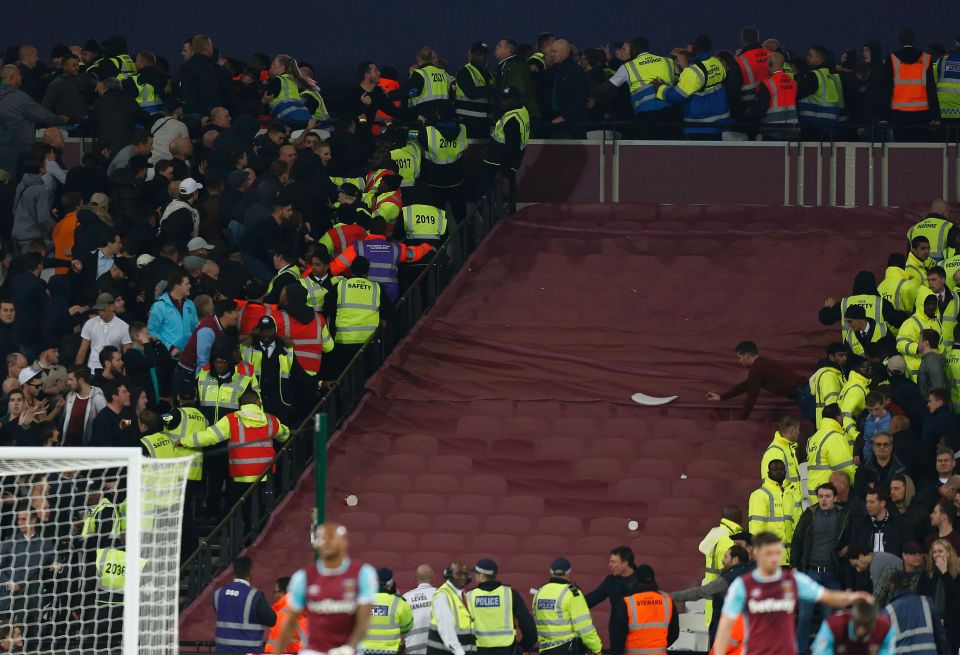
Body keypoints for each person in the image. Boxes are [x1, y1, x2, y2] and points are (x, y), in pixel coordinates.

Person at [712, 531, 873, 655]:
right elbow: (726, 626)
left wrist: (854, 596)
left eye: (776, 552)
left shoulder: (792, 581)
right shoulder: (742, 586)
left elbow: (827, 596)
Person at [184, 390, 290, 505]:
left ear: (241, 404)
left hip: (241, 475)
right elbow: (284, 436)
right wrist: (285, 430)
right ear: (258, 402)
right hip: (265, 475)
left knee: (241, 509)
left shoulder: (231, 419)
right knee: (261, 508)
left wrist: (184, 440)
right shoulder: (271, 420)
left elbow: (209, 436)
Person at [791, 483, 851, 652]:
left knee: (830, 618)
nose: (823, 500)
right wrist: (794, 565)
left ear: (835, 498)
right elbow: (797, 540)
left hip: (832, 573)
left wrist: (848, 548)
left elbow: (851, 535)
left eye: (827, 496)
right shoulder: (810, 514)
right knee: (804, 617)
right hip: (811, 573)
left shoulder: (843, 516)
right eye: (821, 496)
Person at [706, 341, 814, 421]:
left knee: (820, 424)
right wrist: (722, 397)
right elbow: (746, 385)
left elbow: (751, 397)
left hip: (803, 394)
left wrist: (741, 420)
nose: (739, 361)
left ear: (746, 356)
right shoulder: (762, 364)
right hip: (806, 390)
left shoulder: (757, 369)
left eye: (739, 357)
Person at [595, 37, 678, 137]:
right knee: (671, 149)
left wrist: (588, 82)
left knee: (647, 151)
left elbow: (605, 89)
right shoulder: (667, 61)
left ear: (633, 49)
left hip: (647, 118)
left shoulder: (628, 67)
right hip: (670, 114)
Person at [655, 35, 730, 138]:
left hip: (700, 124)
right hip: (720, 120)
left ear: (695, 47)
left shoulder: (692, 72)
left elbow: (677, 96)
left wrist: (661, 88)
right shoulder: (716, 62)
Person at [0, 64, 65, 177]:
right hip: (19, 150)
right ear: (11, 77)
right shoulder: (19, 97)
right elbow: (42, 115)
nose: (21, 77)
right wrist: (60, 119)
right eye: (19, 75)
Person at [532, 558, 602, 655]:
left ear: (551, 572)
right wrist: (597, 649)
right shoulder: (573, 594)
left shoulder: (539, 593)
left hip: (545, 650)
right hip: (568, 650)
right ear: (569, 573)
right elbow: (585, 628)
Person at [466, 558, 536, 655]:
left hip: (478, 651)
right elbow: (529, 627)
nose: (475, 577)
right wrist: (522, 648)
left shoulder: (468, 596)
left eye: (476, 574)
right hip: (507, 650)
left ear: (481, 576)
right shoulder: (510, 594)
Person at [609, 564, 678, 655]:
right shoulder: (667, 601)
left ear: (636, 580)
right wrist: (657, 646)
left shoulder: (628, 603)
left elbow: (617, 637)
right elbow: (674, 633)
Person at [884, 27, 939, 140]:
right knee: (919, 152)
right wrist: (935, 115)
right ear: (914, 40)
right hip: (922, 114)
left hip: (898, 115)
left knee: (901, 151)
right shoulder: (926, 59)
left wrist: (885, 115)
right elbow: (931, 89)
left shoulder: (892, 58)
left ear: (899, 40)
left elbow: (887, 89)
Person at [212, 556, 276, 653]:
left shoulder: (218, 593)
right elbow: (271, 620)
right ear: (250, 572)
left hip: (222, 651)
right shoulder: (254, 595)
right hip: (248, 650)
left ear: (234, 572)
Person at [883, 569, 951, 655]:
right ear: (909, 584)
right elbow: (941, 637)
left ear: (892, 585)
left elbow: (883, 646)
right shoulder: (926, 602)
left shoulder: (888, 611)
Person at [698, 506, 743, 627]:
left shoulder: (715, 533)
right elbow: (729, 572)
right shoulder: (728, 539)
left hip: (712, 599)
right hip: (722, 602)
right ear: (737, 519)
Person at [749, 459, 798, 564]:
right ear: (768, 473)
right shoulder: (759, 495)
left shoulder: (789, 494)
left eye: (781, 469)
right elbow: (756, 527)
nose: (779, 472)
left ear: (785, 472)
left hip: (791, 558)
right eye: (775, 469)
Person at [917, 539, 960, 653]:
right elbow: (920, 599)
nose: (937, 554)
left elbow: (956, 596)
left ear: (949, 553)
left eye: (940, 551)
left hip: (952, 626)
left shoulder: (957, 574)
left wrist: (945, 572)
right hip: (931, 624)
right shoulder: (926, 574)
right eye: (934, 551)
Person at [424, 561, 475, 655]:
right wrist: (459, 651)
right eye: (459, 574)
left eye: (466, 574)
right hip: (446, 652)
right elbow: (445, 628)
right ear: (448, 574)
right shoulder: (442, 595)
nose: (463, 577)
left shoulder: (463, 594)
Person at [360, 568, 414, 655]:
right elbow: (407, 627)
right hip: (391, 651)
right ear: (391, 584)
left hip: (364, 651)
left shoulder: (364, 601)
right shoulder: (399, 603)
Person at [810, 600, 894, 655]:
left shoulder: (885, 627)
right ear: (851, 618)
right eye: (858, 624)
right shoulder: (833, 625)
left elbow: (887, 652)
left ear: (874, 622)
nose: (861, 630)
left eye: (866, 625)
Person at [585, 546, 638, 632]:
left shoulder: (643, 579)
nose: (610, 565)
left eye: (613, 562)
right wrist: (574, 599)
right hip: (617, 633)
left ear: (625, 563)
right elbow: (593, 598)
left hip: (639, 632)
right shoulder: (611, 581)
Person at [76, 293, 132, 371]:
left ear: (112, 307)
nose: (99, 312)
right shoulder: (90, 323)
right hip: (92, 370)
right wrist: (78, 373)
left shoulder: (124, 327)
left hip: (113, 372)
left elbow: (127, 355)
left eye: (102, 309)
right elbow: (82, 350)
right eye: (98, 309)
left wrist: (125, 377)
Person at [797, 46, 844, 133]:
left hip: (812, 125)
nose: (807, 57)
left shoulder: (813, 76)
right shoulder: (832, 76)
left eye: (810, 55)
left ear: (818, 58)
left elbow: (797, 94)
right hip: (831, 126)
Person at [849, 489, 906, 557]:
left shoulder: (898, 524)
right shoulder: (860, 524)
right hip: (867, 566)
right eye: (867, 502)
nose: (867, 505)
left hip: (892, 566)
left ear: (882, 504)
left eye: (872, 502)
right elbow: (852, 551)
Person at [493, 38, 539, 120]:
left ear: (509, 50)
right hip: (514, 115)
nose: (496, 47)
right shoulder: (507, 66)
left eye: (499, 46)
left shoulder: (515, 67)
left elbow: (517, 93)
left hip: (518, 117)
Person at [454, 42, 495, 135]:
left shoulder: (488, 73)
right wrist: (491, 89)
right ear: (472, 55)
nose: (483, 58)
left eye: (485, 55)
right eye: (480, 55)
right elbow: (471, 93)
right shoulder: (464, 71)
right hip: (467, 121)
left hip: (484, 122)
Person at [853, 432, 908, 499]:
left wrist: (875, 486)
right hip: (868, 507)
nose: (882, 447)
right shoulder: (863, 467)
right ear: (873, 447)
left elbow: (901, 493)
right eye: (878, 444)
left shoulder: (901, 467)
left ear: (891, 447)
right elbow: (859, 491)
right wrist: (887, 489)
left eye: (886, 444)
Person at [62, 365, 106, 447]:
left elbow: (105, 424)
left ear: (81, 380)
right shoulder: (69, 396)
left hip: (87, 449)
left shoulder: (98, 399)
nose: (68, 383)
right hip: (68, 446)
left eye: (71, 379)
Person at [809, 343, 848, 427]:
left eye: (845, 355)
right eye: (841, 355)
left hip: (829, 425)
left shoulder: (835, 374)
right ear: (831, 357)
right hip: (832, 426)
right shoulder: (829, 376)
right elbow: (832, 405)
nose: (845, 358)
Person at [265, 576, 307, 653]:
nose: (274, 595)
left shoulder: (281, 614)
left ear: (283, 593)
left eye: (275, 592)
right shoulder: (302, 611)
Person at [89, 380, 135, 448]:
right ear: (115, 397)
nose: (128, 394)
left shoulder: (126, 414)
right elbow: (106, 448)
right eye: (124, 392)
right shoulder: (103, 419)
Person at [403, 565, 438, 655]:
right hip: (436, 649)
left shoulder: (406, 598)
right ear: (432, 578)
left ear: (415, 579)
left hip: (412, 649)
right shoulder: (440, 594)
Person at [407, 46, 451, 117]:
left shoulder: (419, 73)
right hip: (443, 113)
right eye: (434, 58)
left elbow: (412, 93)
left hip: (425, 114)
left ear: (418, 59)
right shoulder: (442, 73)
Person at [837, 359, 871, 450]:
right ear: (856, 369)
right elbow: (846, 416)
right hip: (850, 440)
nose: (868, 369)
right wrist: (856, 435)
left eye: (869, 367)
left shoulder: (853, 384)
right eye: (864, 367)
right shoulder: (857, 389)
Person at [760, 415, 801, 489]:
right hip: (784, 500)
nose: (799, 432)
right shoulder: (775, 452)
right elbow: (768, 482)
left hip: (792, 499)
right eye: (798, 429)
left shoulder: (788, 449)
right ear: (791, 430)